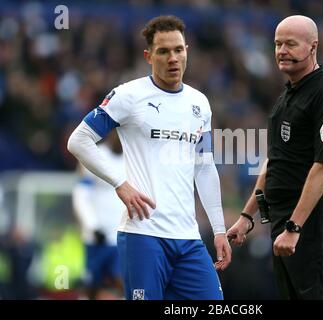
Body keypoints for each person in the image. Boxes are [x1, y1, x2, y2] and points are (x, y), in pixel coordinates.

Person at [67, 15, 231, 300]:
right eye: (163, 51)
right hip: (143, 235)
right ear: (148, 55)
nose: (173, 58)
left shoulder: (199, 103)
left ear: (187, 51)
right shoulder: (128, 96)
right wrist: (121, 183)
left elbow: (205, 168)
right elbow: (79, 141)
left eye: (178, 50)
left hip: (188, 237)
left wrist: (218, 230)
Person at [227, 15, 323, 299]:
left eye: (291, 44)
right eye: (278, 43)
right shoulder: (287, 95)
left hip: (311, 223)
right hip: (283, 221)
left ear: (313, 46)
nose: (282, 50)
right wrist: (247, 215)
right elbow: (275, 162)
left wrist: (295, 227)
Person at [72, 130, 125, 300]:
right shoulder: (94, 155)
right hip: (96, 238)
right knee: (90, 287)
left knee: (123, 285)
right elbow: (81, 194)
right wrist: (92, 226)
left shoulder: (134, 159)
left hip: (122, 237)